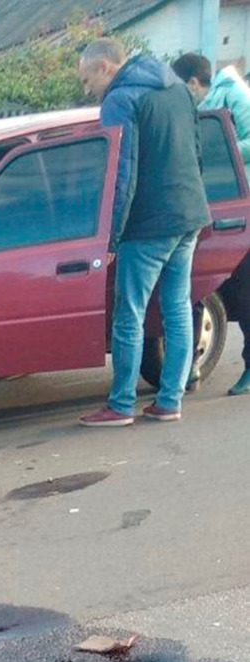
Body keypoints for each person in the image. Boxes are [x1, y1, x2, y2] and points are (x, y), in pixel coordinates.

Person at [76, 37, 211, 427]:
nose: (88, 89)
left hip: (147, 224)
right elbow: (196, 151)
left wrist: (111, 236)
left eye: (87, 80)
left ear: (104, 66)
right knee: (177, 309)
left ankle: (121, 405)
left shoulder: (120, 100)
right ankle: (170, 401)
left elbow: (121, 172)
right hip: (189, 214)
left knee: (129, 315)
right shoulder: (179, 89)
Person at [172, 52, 250, 396]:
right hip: (206, 207)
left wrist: (219, 149)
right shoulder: (195, 106)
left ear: (192, 82)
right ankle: (187, 367)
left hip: (240, 207)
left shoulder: (234, 94)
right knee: (198, 288)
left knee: (244, 292)